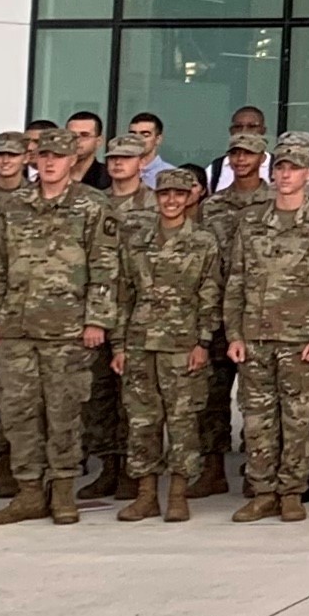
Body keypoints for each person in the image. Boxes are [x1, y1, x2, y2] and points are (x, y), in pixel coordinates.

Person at [0, 124, 114, 526]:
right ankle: (29, 493)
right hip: (18, 328)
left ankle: (62, 492)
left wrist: (97, 320)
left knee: (64, 413)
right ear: (35, 160)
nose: (51, 163)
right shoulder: (14, 205)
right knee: (19, 414)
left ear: (73, 159)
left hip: (68, 329)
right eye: (45, 156)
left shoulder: (92, 205)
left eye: (59, 156)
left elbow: (105, 267)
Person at [223, 133, 309, 524]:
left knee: (298, 421)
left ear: (308, 175)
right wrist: (235, 334)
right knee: (258, 422)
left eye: (293, 168)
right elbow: (237, 281)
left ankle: (292, 491)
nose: (286, 174)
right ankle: (262, 492)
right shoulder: (253, 222)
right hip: (256, 337)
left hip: (300, 340)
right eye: (280, 167)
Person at [103, 165, 221, 523]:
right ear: (156, 197)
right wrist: (119, 344)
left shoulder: (203, 241)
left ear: (190, 198)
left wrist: (203, 341)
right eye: (164, 194)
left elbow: (209, 294)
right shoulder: (137, 239)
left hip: (182, 343)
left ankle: (178, 493)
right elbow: (123, 293)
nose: (171, 200)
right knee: (141, 421)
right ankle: (145, 494)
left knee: (183, 421)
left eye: (178, 195)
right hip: (140, 342)